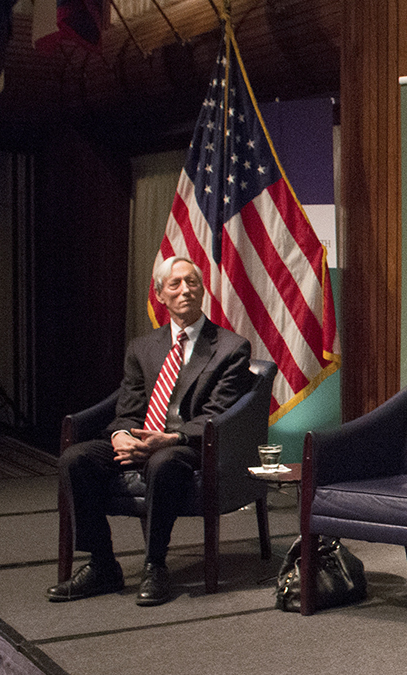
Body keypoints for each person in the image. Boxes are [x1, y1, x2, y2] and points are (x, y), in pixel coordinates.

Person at [52, 256, 255, 606]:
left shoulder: (230, 348)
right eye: (174, 284)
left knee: (164, 463)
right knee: (75, 459)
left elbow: (217, 414)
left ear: (202, 289)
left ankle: (155, 564)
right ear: (160, 295)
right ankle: (102, 564)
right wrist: (122, 437)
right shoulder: (142, 347)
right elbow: (127, 408)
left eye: (192, 282)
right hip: (143, 436)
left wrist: (170, 438)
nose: (185, 290)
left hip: (188, 443)